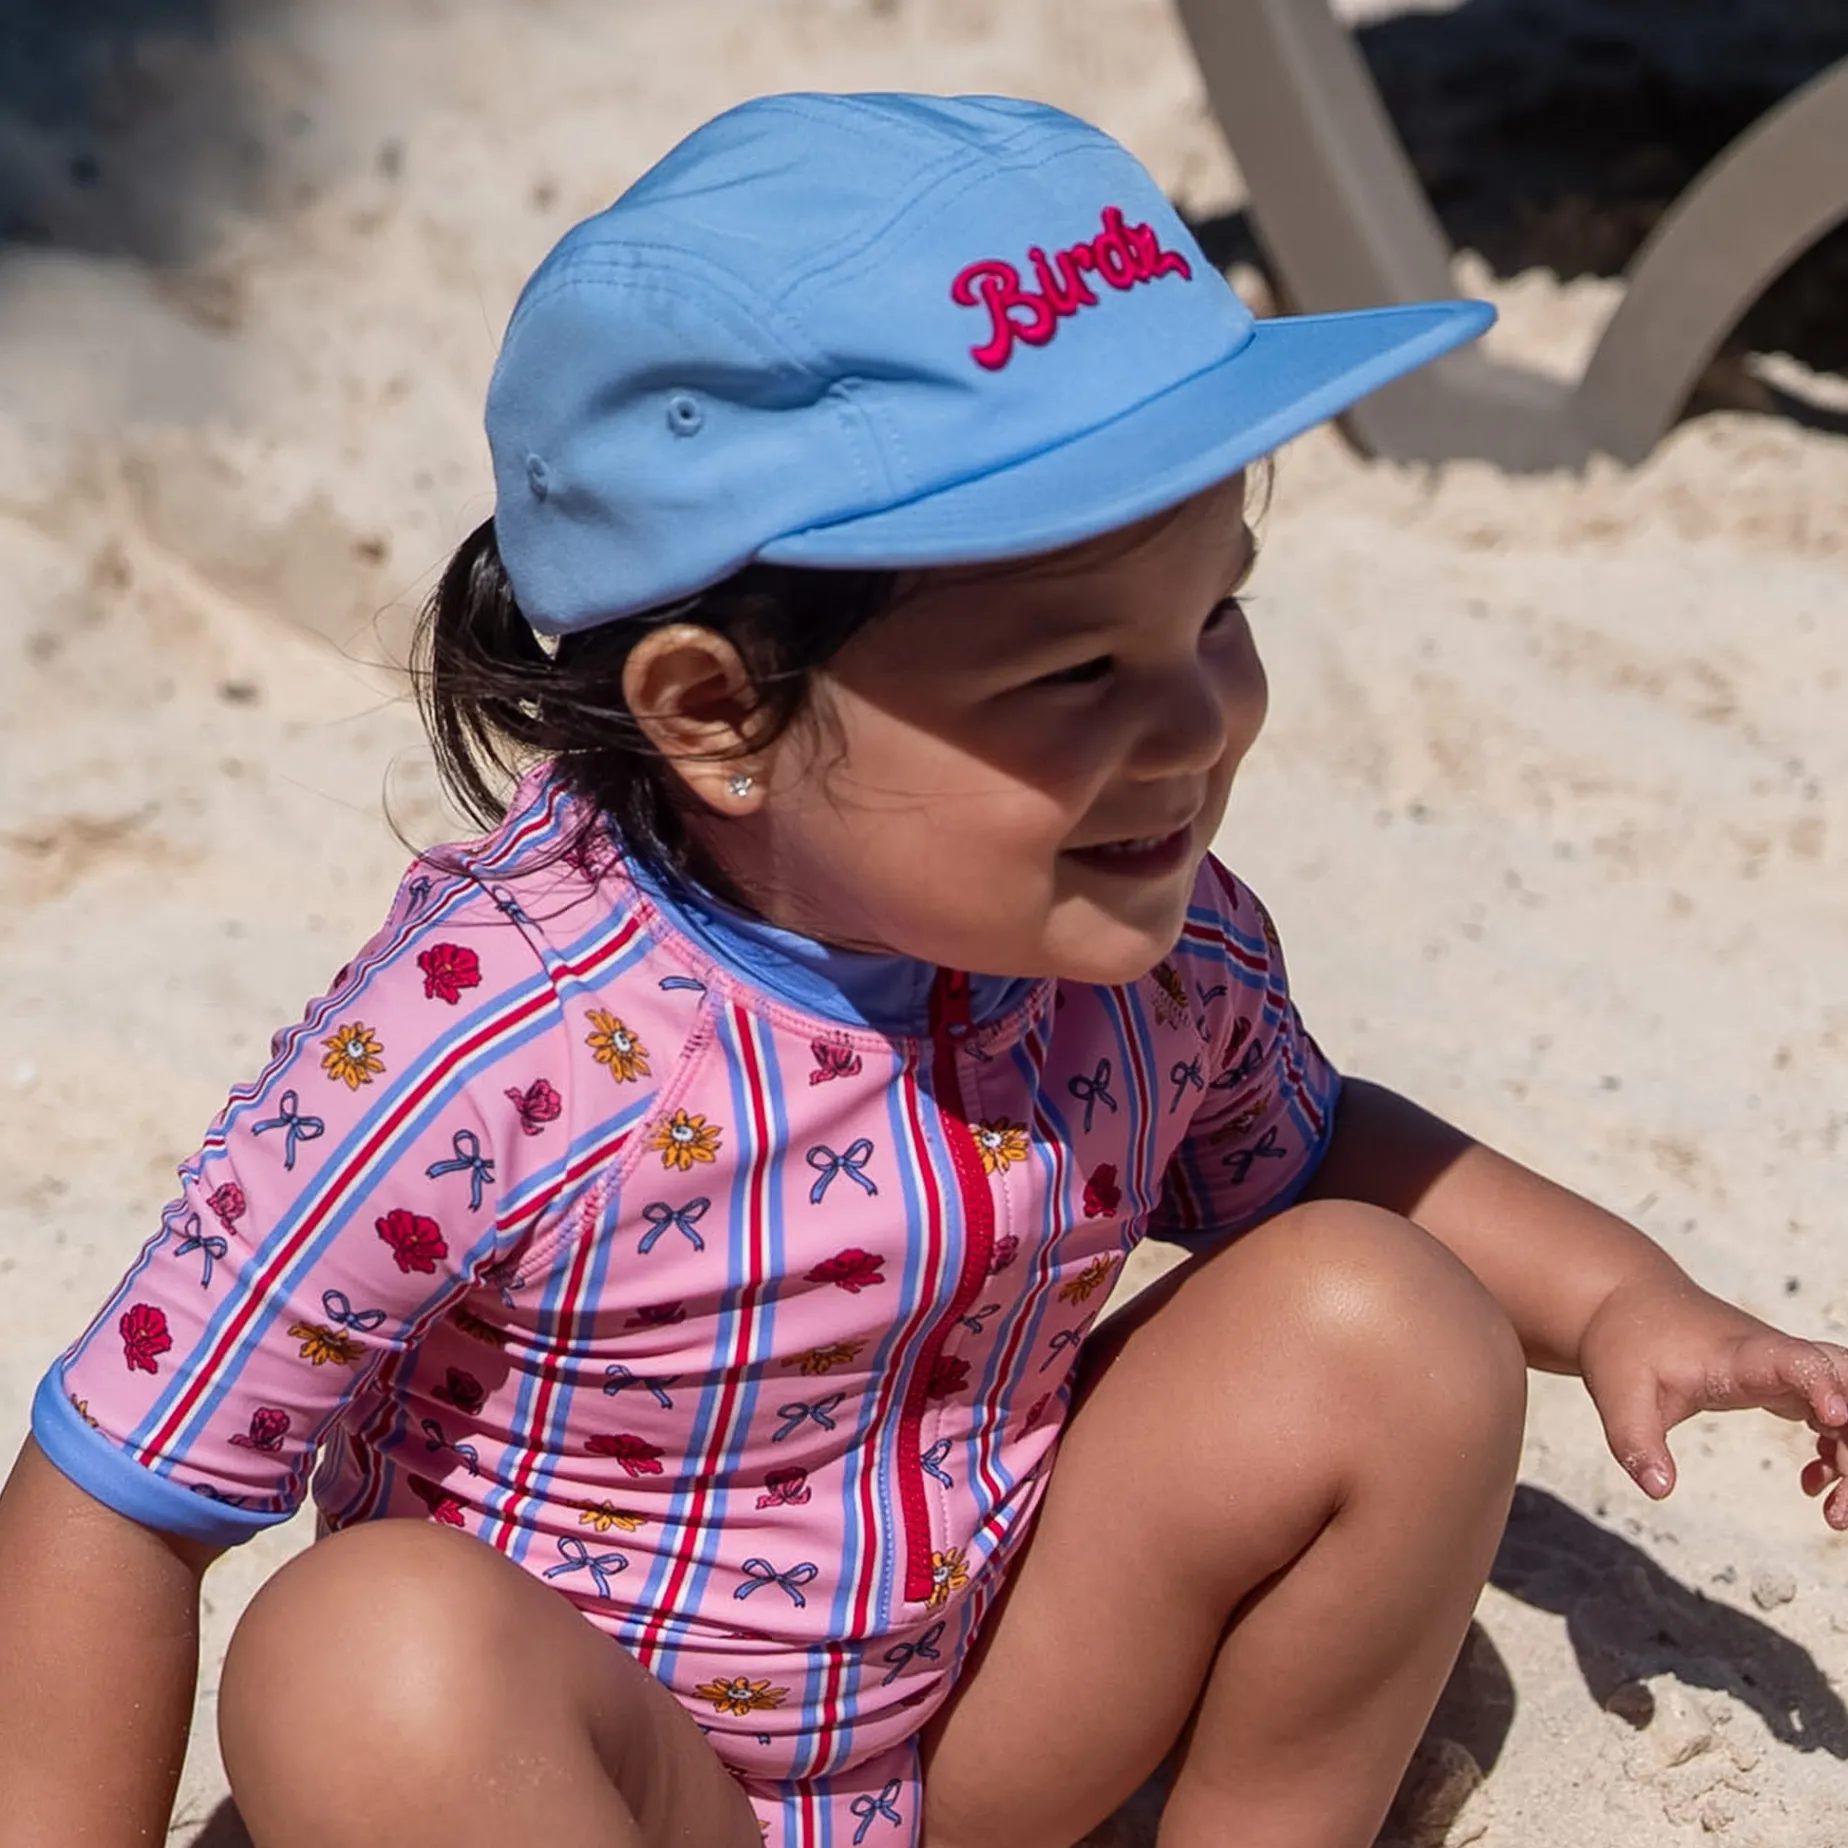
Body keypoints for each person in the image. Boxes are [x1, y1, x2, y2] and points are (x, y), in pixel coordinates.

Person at [0, 92, 1842, 1848]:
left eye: (1218, 609)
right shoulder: (497, 1042)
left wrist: (1622, 1300)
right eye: (1075, 674)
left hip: (984, 1732)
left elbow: (1315, 1158)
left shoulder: (1150, 947)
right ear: (718, 713)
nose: (1197, 724)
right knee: (365, 1662)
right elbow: (123, 1487)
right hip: (601, 1785)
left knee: (1394, 1318)